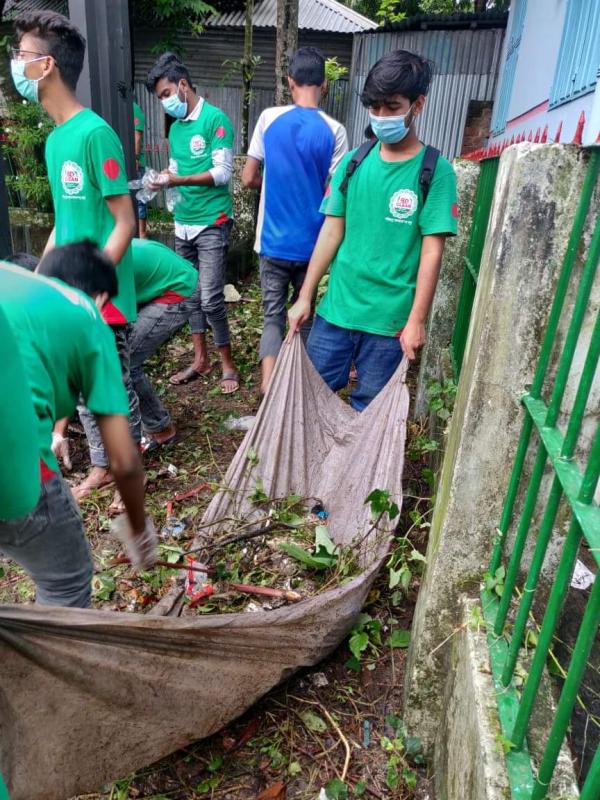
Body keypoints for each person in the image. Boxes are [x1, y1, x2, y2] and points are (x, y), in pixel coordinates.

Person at [12, 10, 142, 500]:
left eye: (21, 56)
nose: (14, 65)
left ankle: (125, 474)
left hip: (101, 295)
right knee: (83, 391)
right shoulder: (54, 141)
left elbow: (125, 222)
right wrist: (43, 282)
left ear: (46, 66)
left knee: (107, 390)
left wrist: (91, 288)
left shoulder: (94, 134)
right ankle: (106, 466)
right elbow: (65, 225)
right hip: (70, 292)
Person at [288, 50, 458, 411]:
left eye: (393, 107)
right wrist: (305, 296)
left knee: (371, 412)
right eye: (375, 107)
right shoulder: (353, 163)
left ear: (418, 105)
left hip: (389, 324)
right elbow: (331, 233)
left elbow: (432, 252)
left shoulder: (435, 171)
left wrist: (416, 321)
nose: (381, 117)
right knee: (311, 401)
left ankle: (359, 470)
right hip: (336, 312)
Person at [0, 249, 156, 608]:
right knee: (66, 585)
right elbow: (125, 461)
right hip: (15, 470)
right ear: (100, 297)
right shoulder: (87, 315)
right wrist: (139, 530)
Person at [242, 47, 348, 394]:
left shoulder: (269, 119)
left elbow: (247, 177)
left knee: (272, 316)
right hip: (312, 246)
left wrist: (271, 184)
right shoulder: (335, 131)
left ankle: (269, 387)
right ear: (325, 84)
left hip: (271, 243)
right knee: (305, 317)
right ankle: (297, 390)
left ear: (290, 82)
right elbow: (336, 195)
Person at [47, 238, 197, 456]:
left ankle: (160, 430)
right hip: (159, 280)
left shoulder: (82, 286)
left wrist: (59, 431)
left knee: (123, 363)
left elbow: (74, 365)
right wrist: (59, 432)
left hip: (179, 288)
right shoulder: (67, 271)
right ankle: (156, 427)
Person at [146, 52, 239, 395]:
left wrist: (177, 181)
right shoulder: (177, 128)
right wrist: (162, 181)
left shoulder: (216, 120)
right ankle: (200, 360)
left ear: (183, 84)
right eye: (160, 98)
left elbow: (222, 173)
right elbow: (175, 170)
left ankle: (227, 364)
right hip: (182, 222)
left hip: (212, 222)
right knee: (188, 295)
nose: (165, 101)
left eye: (167, 93)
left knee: (211, 297)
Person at [133, 99, 148, 239]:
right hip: (123, 163)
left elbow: (137, 137)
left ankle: (142, 234)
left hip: (136, 163)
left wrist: (135, 158)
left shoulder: (134, 109)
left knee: (140, 201)